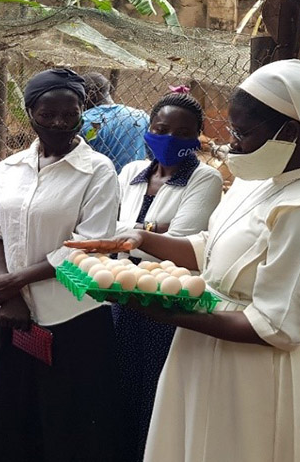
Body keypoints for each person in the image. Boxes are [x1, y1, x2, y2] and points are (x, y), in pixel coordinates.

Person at [74, 59, 300, 462]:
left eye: (243, 133)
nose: (232, 143)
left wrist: (157, 306)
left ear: (293, 130)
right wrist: (144, 239)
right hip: (208, 344)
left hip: (260, 372)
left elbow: (276, 326)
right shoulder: (260, 182)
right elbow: (212, 250)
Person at [0, 68, 122, 462]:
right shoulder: (9, 169)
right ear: (30, 113)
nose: (58, 122)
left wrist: (16, 281)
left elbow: (89, 246)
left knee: (67, 421)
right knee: (15, 417)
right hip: (16, 315)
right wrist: (9, 294)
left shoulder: (98, 171)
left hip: (74, 310)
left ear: (82, 112)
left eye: (68, 114)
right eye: (46, 114)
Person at [111, 88, 222, 461]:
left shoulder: (204, 179)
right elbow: (110, 230)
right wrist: (151, 231)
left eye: (183, 133)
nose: (170, 138)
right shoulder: (129, 172)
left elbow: (183, 242)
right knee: (122, 380)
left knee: (159, 386)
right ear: (148, 129)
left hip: (167, 298)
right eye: (161, 128)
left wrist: (136, 233)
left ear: (195, 138)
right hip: (119, 294)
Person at [79, 72, 149, 172]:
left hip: (99, 179)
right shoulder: (140, 116)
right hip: (133, 181)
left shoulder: (86, 120)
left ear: (91, 94)